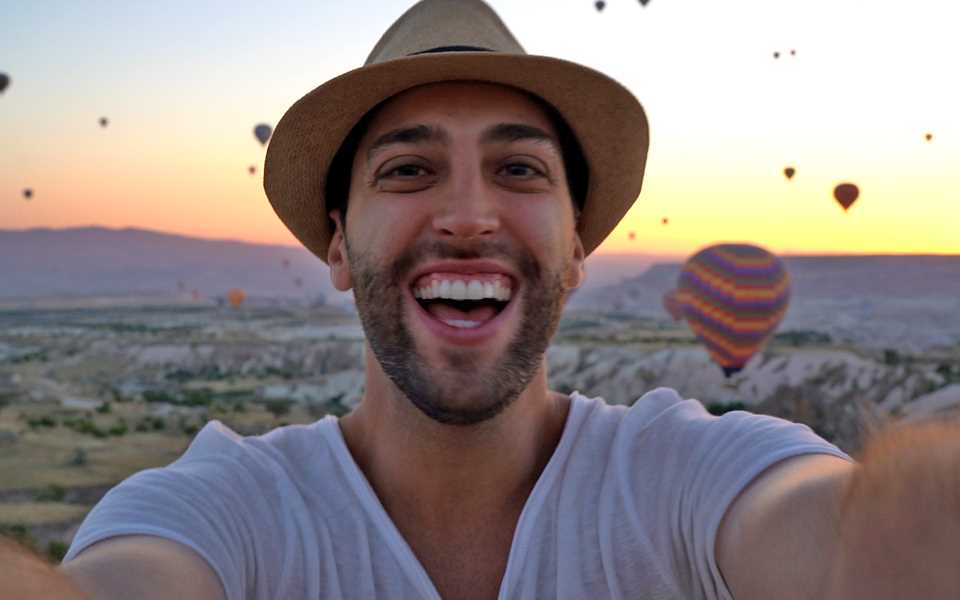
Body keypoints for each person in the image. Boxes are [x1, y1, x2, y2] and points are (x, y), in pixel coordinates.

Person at [3, 1, 959, 598]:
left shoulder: (695, 476)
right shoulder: (221, 513)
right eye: (411, 168)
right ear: (337, 243)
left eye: (517, 169)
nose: (467, 215)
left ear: (579, 246)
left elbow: (852, 547)